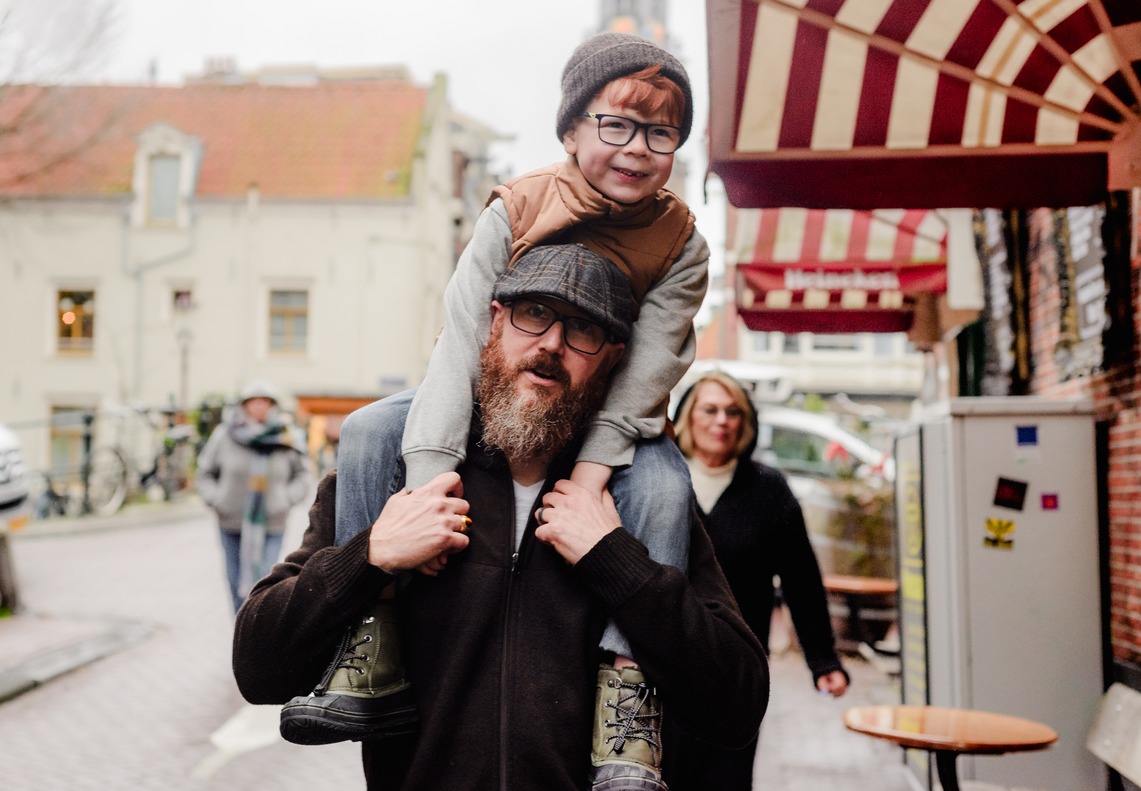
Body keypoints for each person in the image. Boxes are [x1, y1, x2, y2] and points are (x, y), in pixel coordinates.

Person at [232, 246, 769, 791]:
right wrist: (370, 555)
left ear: (613, 358)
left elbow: (737, 706)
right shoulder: (394, 479)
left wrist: (618, 564)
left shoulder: (636, 498)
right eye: (532, 313)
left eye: (583, 329)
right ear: (492, 322)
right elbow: (258, 668)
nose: (551, 344)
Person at [320, 31, 709, 754]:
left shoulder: (681, 242)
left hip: (609, 410)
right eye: (615, 124)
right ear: (570, 129)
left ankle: (627, 693)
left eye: (662, 132)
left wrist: (591, 481)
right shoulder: (516, 208)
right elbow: (461, 342)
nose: (636, 148)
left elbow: (648, 371)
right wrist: (429, 489)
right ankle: (366, 638)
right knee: (369, 430)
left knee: (662, 489)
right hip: (481, 390)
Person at [664, 372, 848, 791]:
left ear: (746, 423)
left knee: (727, 779)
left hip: (737, 667)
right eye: (710, 409)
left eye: (733, 412)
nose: (721, 421)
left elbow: (801, 577)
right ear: (689, 417)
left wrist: (823, 660)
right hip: (665, 660)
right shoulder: (661, 480)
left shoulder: (768, 490)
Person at [196, 380, 311, 611]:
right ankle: (240, 629)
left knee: (264, 581)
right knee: (235, 580)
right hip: (231, 522)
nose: (259, 407)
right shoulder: (225, 435)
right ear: (244, 406)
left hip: (272, 523)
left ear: (273, 406)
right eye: (254, 402)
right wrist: (215, 499)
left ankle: (255, 629)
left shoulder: (287, 437)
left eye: (265, 402)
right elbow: (205, 472)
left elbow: (303, 475)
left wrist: (286, 500)